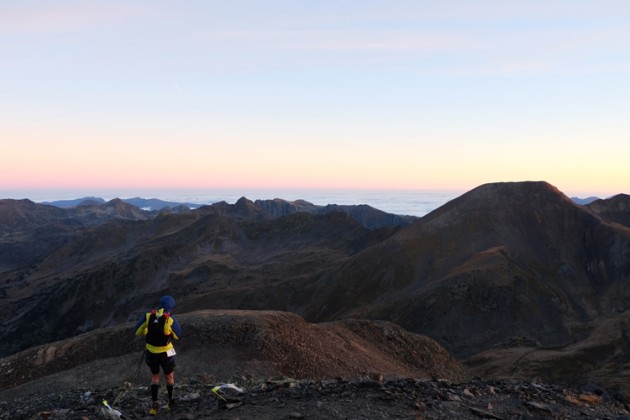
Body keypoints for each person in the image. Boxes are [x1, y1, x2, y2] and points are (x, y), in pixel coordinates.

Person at [134, 295, 182, 416]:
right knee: (169, 377)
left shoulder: (148, 316)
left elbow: (138, 331)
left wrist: (147, 331)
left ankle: (154, 405)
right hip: (166, 353)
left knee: (155, 377)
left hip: (151, 352)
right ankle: (171, 402)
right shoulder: (170, 319)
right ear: (171, 307)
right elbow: (178, 336)